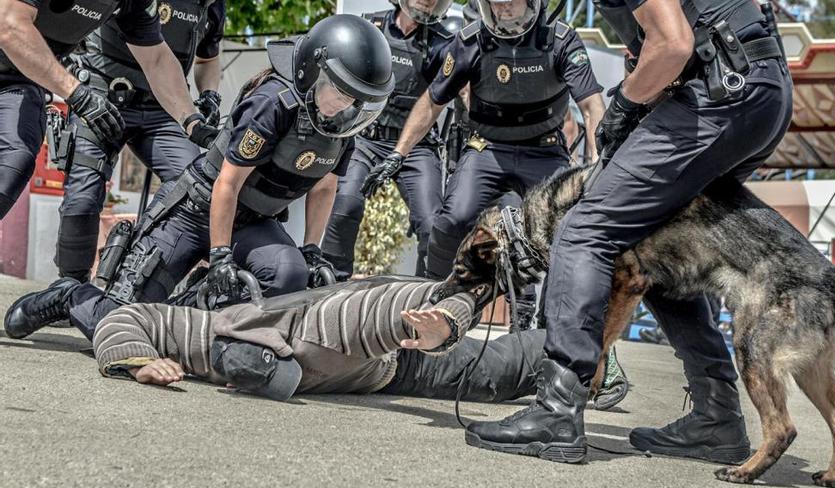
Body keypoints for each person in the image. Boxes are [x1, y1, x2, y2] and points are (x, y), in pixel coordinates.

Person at [464, 0, 792, 465]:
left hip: (724, 91)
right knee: (651, 238)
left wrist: (623, 102)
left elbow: (673, 44)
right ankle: (716, 417)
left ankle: (558, 411)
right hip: (757, 89)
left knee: (584, 229)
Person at [4, 14, 394, 342]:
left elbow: (324, 186)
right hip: (196, 210)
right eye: (341, 94)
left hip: (254, 220)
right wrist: (221, 256)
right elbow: (227, 184)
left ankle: (187, 326)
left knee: (288, 275)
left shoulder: (340, 126)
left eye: (357, 100)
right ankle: (71, 296)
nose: (348, 108)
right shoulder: (272, 103)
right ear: (313, 71)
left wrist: (311, 249)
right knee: (122, 324)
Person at [374, 0, 606, 281]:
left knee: (566, 230)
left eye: (510, 3)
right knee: (451, 222)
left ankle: (538, 317)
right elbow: (433, 101)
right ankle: (434, 294)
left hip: (544, 151)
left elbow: (592, 107)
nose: (502, 10)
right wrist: (399, 153)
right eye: (495, 4)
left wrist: (597, 165)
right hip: (488, 148)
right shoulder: (471, 40)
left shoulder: (560, 39)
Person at [92, 276, 541, 402]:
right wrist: (138, 362)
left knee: (500, 371)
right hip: (374, 372)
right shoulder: (208, 336)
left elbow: (434, 294)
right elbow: (126, 316)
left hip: (399, 357)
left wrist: (443, 321)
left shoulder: (329, 324)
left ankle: (590, 359)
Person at [55, 0, 228, 283]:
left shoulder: (211, 5)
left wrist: (209, 94)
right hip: (102, 95)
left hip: (165, 107)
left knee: (193, 188)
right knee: (84, 193)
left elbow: (207, 58)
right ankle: (69, 286)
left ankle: (132, 275)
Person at [0, 0, 217, 218]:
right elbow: (9, 24)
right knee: (81, 198)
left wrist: (192, 122)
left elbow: (158, 60)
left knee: (14, 162)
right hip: (22, 54)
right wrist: (78, 93)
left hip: (19, 79)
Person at [321, 0, 456, 278]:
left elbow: (457, 93)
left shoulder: (445, 42)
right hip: (366, 138)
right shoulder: (369, 27)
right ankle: (330, 282)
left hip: (417, 146)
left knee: (432, 224)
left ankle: (426, 295)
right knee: (345, 204)